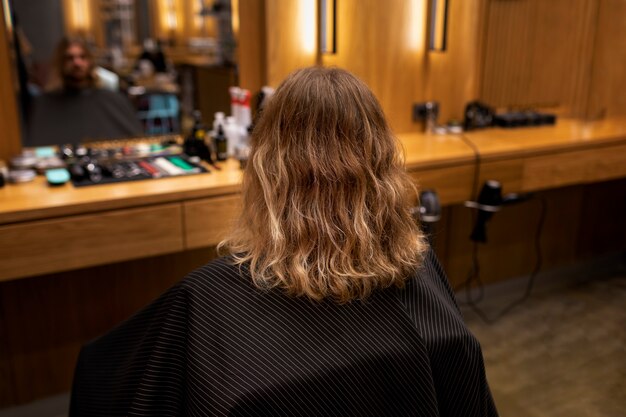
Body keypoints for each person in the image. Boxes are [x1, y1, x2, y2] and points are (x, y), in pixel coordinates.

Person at [70, 67, 499, 417]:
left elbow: (112, 381)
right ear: (381, 163)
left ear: (269, 169)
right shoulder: (418, 263)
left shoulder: (204, 297)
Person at [25, 37, 142, 147]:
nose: (77, 63)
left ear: (90, 61)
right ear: (61, 63)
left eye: (82, 57)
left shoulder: (114, 101)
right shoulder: (44, 104)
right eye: (70, 58)